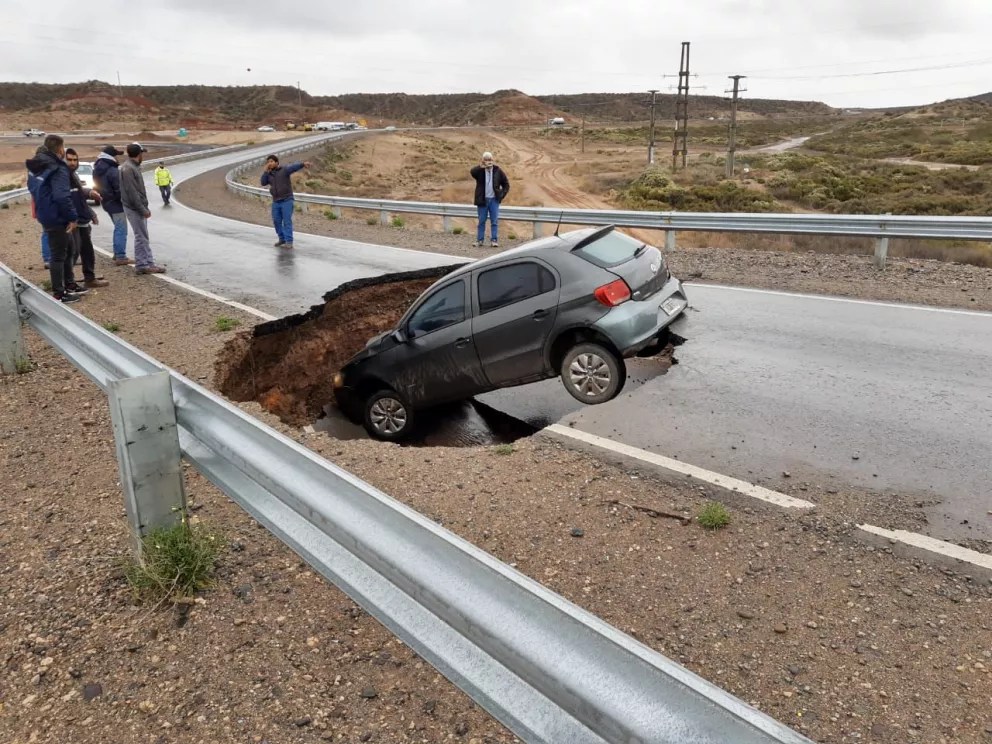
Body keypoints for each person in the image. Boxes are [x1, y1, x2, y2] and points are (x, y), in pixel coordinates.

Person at [26, 135, 82, 303]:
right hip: (57, 216)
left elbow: (32, 187)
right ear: (60, 149)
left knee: (69, 249)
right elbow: (62, 196)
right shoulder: (58, 167)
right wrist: (72, 217)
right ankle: (59, 293)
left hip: (45, 213)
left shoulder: (36, 165)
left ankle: (69, 284)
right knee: (58, 255)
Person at [65, 148, 109, 289]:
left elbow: (79, 195)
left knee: (87, 251)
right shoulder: (61, 177)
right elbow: (65, 199)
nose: (73, 163)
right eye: (69, 160)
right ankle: (67, 284)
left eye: (75, 160)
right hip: (72, 221)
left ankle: (89, 279)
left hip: (82, 220)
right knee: (73, 252)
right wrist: (71, 218)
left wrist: (90, 196)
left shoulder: (73, 175)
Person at [119, 142, 166, 275]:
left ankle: (148, 263)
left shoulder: (131, 167)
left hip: (136, 207)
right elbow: (132, 192)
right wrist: (142, 209)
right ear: (138, 154)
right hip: (134, 208)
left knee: (143, 236)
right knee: (141, 236)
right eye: (141, 153)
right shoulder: (128, 169)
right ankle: (142, 264)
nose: (142, 156)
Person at [92, 145, 133, 266]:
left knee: (118, 227)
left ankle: (117, 254)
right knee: (121, 229)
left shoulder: (98, 169)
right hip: (116, 204)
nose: (117, 158)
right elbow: (119, 189)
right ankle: (120, 256)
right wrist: (125, 201)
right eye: (115, 155)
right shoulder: (112, 170)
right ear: (111, 156)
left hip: (106, 202)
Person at [260, 154, 310, 249]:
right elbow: (263, 182)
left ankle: (289, 241)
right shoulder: (269, 174)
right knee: (276, 221)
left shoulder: (284, 170)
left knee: (287, 221)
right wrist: (265, 171)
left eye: (271, 161)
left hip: (287, 200)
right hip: (276, 201)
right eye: (268, 162)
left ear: (277, 162)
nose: (269, 163)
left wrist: (302, 164)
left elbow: (293, 167)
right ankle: (282, 239)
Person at [470, 151, 510, 248]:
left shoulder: (498, 171)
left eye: (489, 159)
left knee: (494, 221)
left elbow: (506, 184)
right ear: (483, 160)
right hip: (482, 200)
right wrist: (481, 166)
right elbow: (472, 172)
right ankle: (480, 240)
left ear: (492, 160)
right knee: (481, 221)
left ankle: (494, 240)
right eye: (486, 159)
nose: (488, 161)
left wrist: (501, 195)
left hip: (494, 200)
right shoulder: (480, 171)